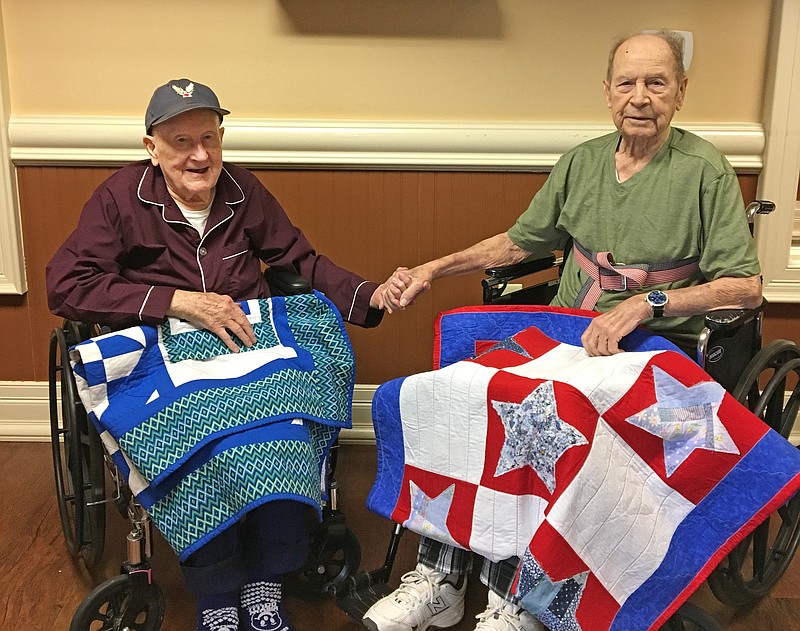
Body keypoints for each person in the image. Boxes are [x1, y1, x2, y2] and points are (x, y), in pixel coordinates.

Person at [365, 31, 762, 631]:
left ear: (681, 92)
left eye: (657, 83)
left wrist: (648, 304)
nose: (640, 97)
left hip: (659, 348)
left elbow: (745, 286)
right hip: (568, 332)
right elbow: (519, 241)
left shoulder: (705, 172)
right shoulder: (582, 162)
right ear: (607, 93)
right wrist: (433, 267)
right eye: (627, 83)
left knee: (546, 419)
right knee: (464, 395)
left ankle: (520, 599)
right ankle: (441, 579)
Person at [46, 79, 392, 631]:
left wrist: (367, 294)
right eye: (181, 141)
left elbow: (298, 260)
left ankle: (264, 582)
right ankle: (216, 597)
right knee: (206, 448)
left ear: (223, 139)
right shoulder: (118, 198)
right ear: (151, 147)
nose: (199, 155)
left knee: (284, 435)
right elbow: (66, 286)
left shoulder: (243, 190)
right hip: (160, 350)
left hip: (246, 347)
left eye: (209, 138)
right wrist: (175, 300)